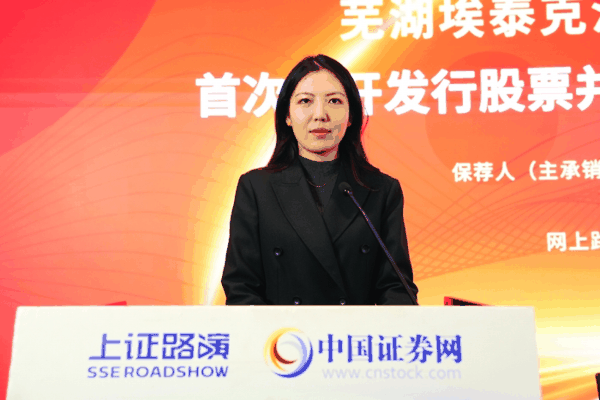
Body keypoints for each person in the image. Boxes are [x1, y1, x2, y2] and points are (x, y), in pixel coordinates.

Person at [221, 54, 418, 305]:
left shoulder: (381, 190)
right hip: (283, 330)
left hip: (354, 330)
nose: (320, 114)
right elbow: (241, 287)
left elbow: (397, 288)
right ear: (287, 115)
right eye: (305, 101)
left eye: (334, 101)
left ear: (351, 116)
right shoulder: (256, 189)